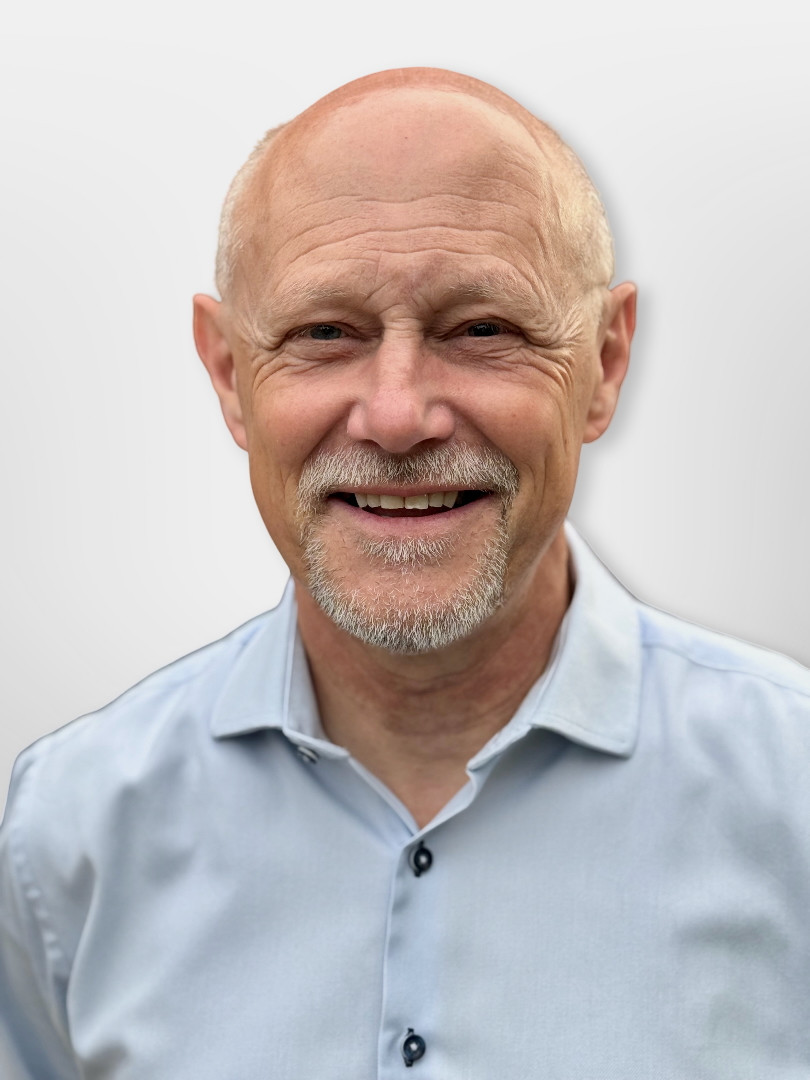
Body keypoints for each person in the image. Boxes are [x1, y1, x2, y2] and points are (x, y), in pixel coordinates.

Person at [1, 66, 809, 1079]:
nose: (395, 416)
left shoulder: (793, 796)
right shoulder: (69, 831)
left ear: (604, 364)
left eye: (481, 330)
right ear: (229, 374)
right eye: (325, 334)